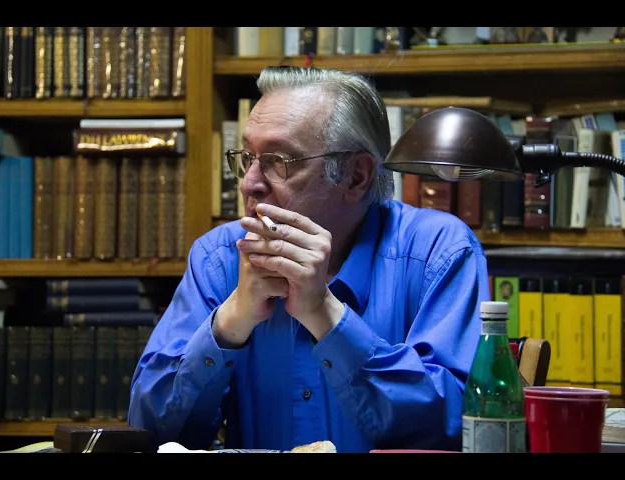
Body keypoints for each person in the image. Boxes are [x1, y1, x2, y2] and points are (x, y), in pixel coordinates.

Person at [128, 66, 490, 453]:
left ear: (356, 176)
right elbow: (148, 434)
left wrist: (326, 315)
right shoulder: (219, 257)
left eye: (279, 161)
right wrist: (229, 323)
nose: (249, 183)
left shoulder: (440, 252)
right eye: (248, 157)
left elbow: (460, 427)